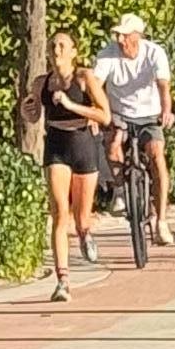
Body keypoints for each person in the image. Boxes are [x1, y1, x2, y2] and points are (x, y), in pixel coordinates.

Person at [35, 31, 109, 300]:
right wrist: (27, 110)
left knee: (81, 217)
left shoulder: (84, 78)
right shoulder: (42, 82)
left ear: (74, 52)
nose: (57, 49)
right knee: (59, 213)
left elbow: (105, 114)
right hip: (56, 145)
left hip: (83, 145)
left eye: (62, 45)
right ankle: (63, 280)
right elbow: (32, 114)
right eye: (53, 44)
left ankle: (85, 233)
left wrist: (71, 105)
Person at [93, 10, 175, 244]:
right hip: (118, 114)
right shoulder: (107, 55)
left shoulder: (154, 53)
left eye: (125, 35)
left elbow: (163, 87)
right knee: (112, 145)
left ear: (137, 36)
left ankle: (161, 220)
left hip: (149, 114)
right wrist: (98, 113)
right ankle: (120, 190)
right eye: (118, 35)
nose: (120, 40)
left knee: (157, 154)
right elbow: (96, 85)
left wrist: (166, 111)